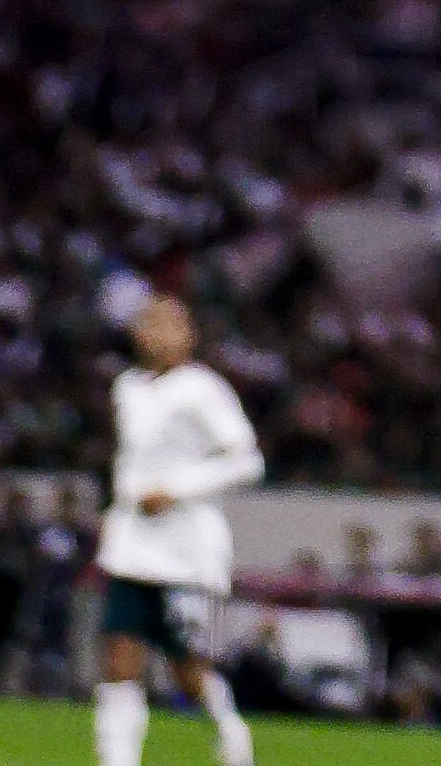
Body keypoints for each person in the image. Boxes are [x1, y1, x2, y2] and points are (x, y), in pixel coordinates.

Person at [96, 291, 264, 766]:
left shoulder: (202, 389)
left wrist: (177, 489)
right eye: (147, 323)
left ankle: (230, 731)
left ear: (188, 335)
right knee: (119, 658)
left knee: (187, 669)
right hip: (132, 545)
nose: (153, 332)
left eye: (166, 324)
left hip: (187, 549)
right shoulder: (126, 386)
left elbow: (247, 459)